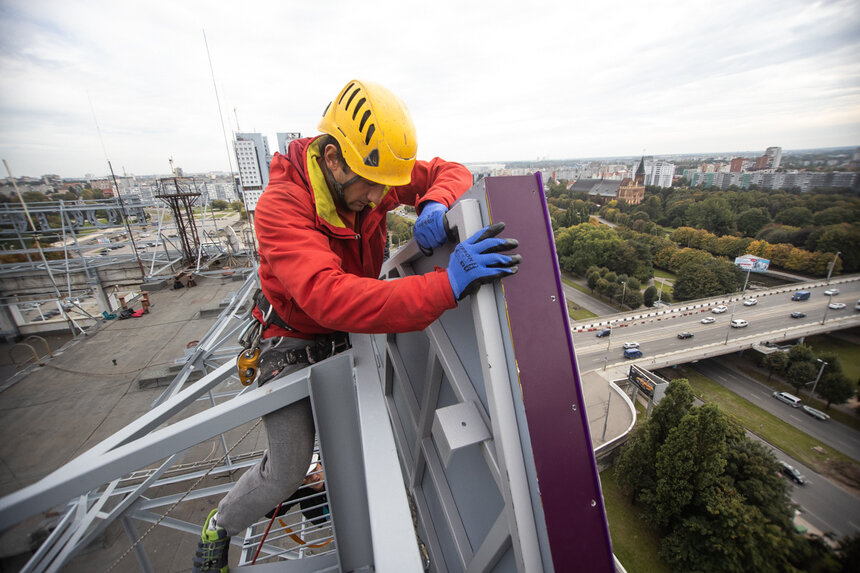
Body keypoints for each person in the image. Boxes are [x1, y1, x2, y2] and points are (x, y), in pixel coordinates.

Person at [192, 79, 520, 572]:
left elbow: (448, 171)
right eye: (372, 184)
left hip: (348, 323)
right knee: (287, 466)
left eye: (388, 185)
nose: (381, 197)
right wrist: (445, 286)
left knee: (379, 422)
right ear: (332, 159)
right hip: (294, 333)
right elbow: (328, 298)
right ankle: (220, 523)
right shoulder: (280, 207)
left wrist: (436, 199)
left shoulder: (365, 179)